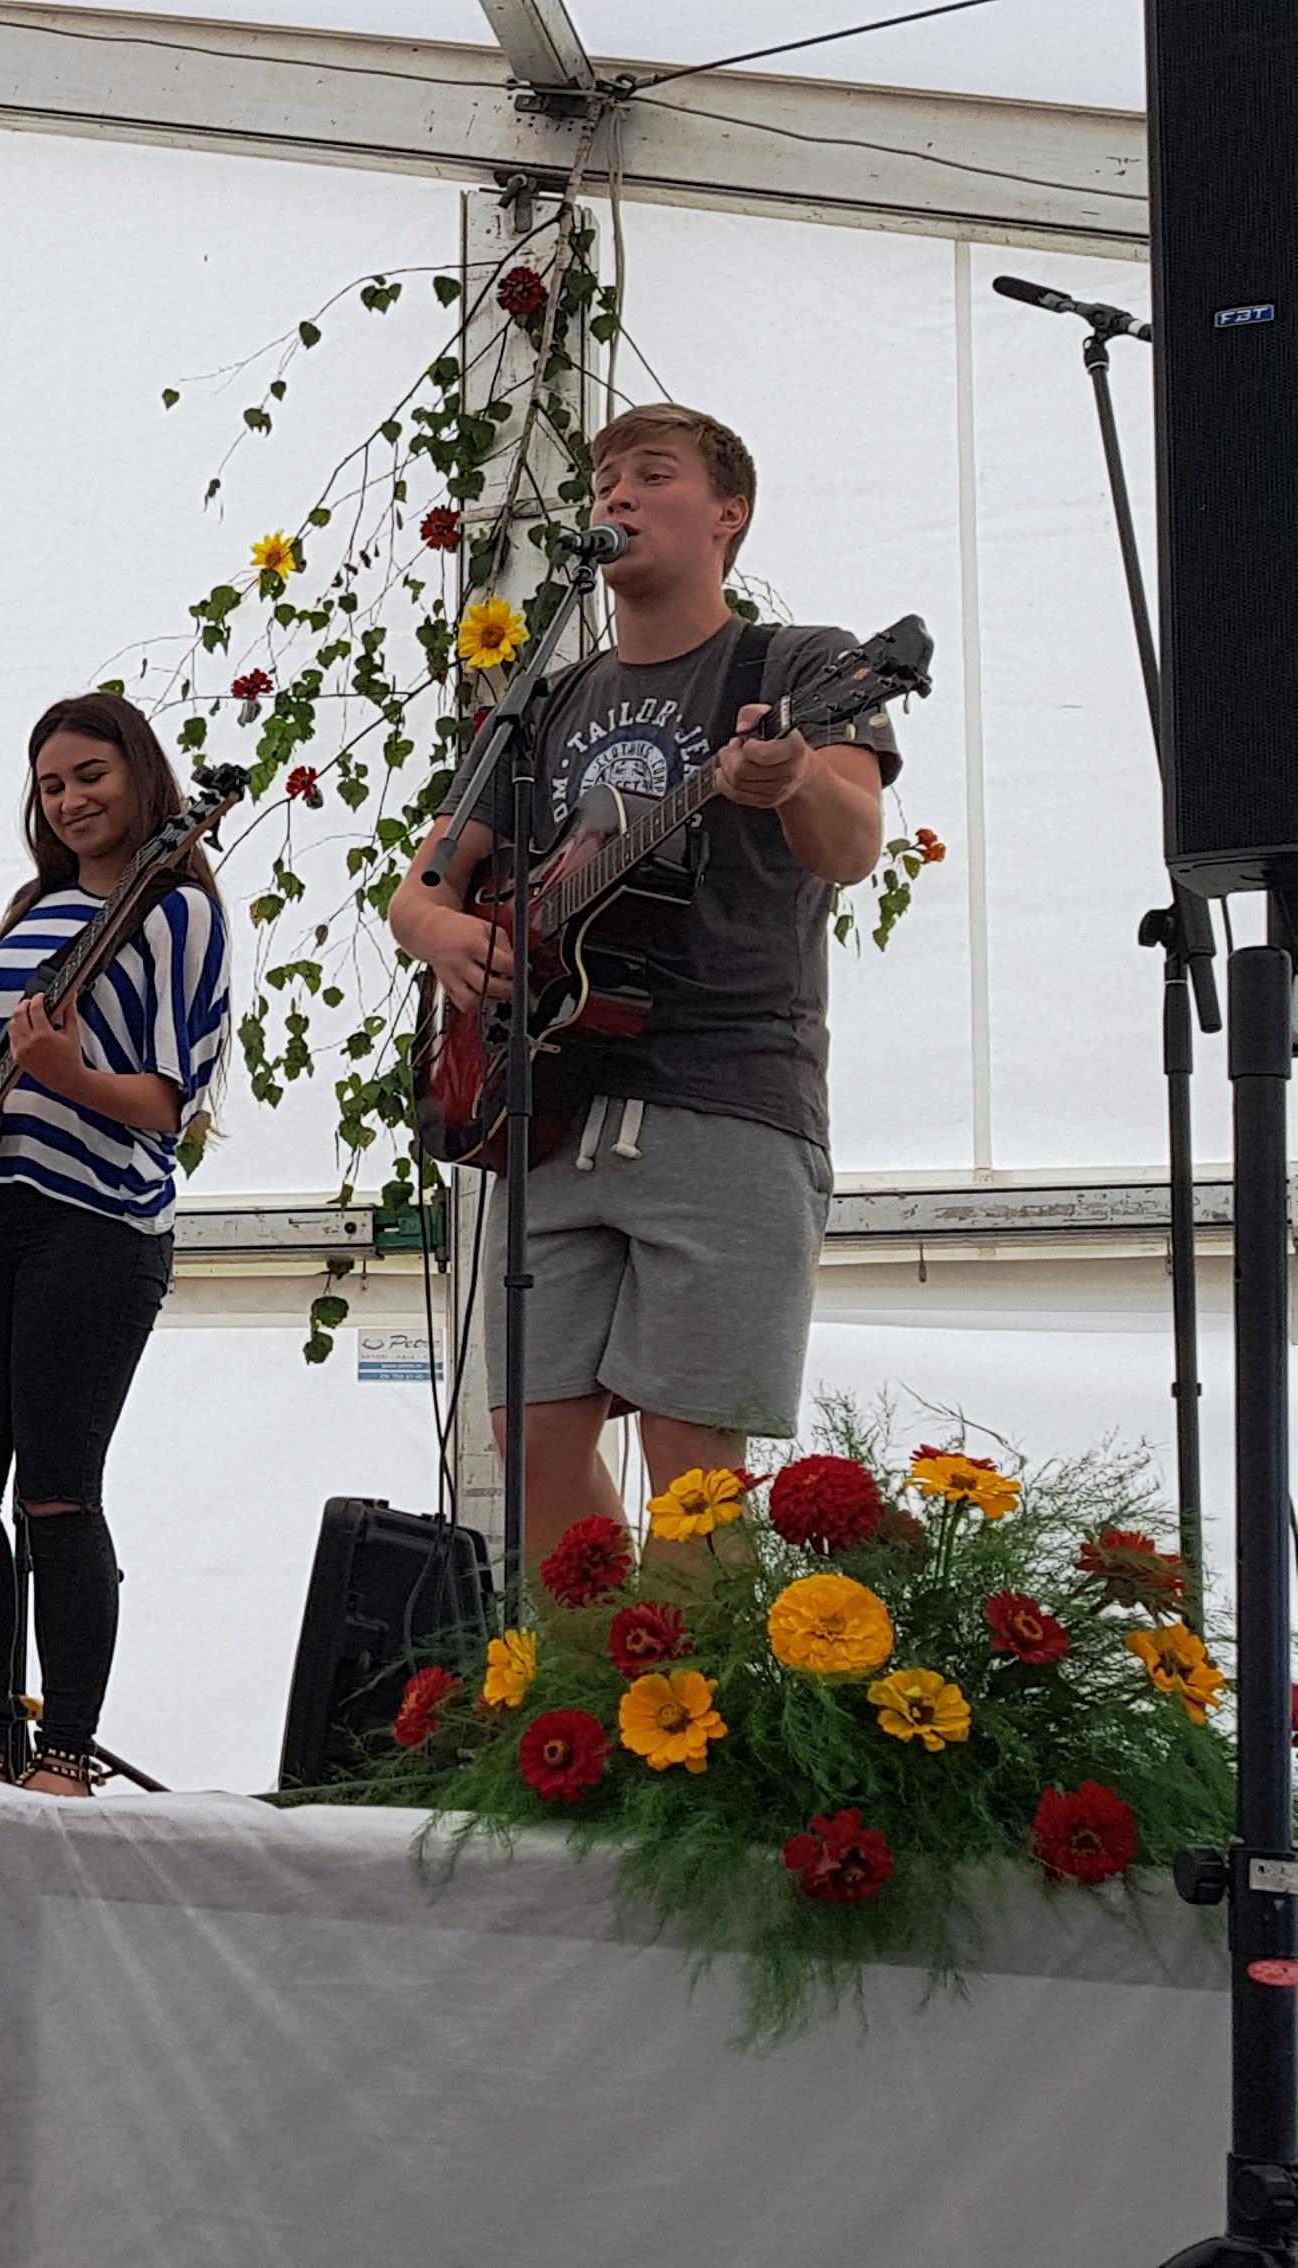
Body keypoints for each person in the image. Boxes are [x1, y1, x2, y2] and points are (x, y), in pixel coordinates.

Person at [386, 403, 901, 1534]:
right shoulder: (548, 699)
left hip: (725, 1094)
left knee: (691, 1462)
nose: (616, 495)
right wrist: (439, 932)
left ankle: (692, 1662)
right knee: (531, 1442)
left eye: (652, 475)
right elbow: (423, 887)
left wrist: (792, 775)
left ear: (730, 514)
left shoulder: (798, 667)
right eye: (605, 481)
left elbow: (852, 845)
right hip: (551, 1106)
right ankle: (595, 1655)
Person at [0, 692, 229, 1795]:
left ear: (144, 777)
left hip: (98, 1222)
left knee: (57, 1490)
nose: (70, 800)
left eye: (90, 776)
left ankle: (67, 1750)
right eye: (51, 785)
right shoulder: (30, 908)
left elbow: (169, 1103)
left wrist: (71, 1076)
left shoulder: (177, 913)